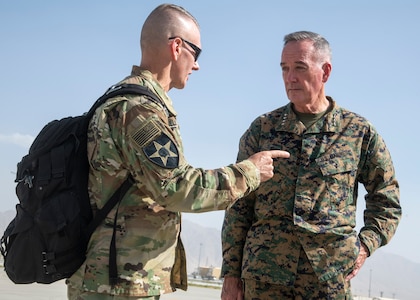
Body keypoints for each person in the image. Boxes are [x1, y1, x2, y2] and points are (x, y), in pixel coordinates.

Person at [66, 4, 290, 300]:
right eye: (196, 54)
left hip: (115, 279)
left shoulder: (129, 100)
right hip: (117, 284)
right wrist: (250, 171)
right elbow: (177, 187)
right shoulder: (140, 111)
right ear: (176, 47)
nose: (196, 65)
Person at [221, 30, 401, 300]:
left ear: (325, 71)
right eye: (285, 68)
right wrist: (231, 274)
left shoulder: (358, 133)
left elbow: (387, 200)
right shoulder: (262, 129)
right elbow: (239, 205)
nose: (290, 77)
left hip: (328, 278)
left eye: (300, 68)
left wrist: (365, 246)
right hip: (263, 278)